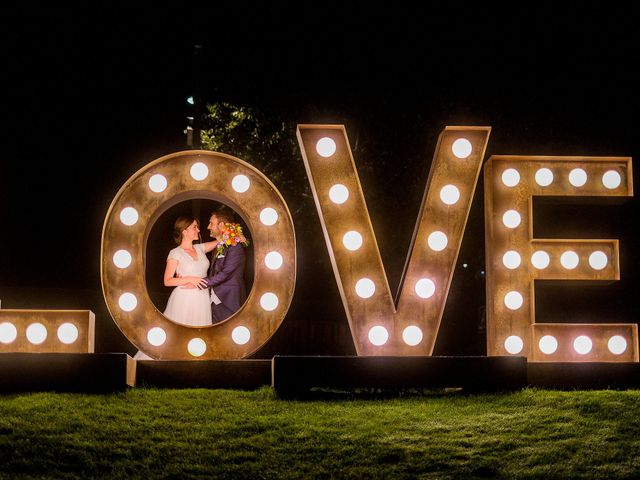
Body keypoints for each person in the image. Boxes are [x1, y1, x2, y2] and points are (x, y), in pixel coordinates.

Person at [134, 215, 211, 360]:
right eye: (195, 227)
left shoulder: (200, 248)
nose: (198, 230)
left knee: (198, 335)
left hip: (202, 297)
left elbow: (221, 241)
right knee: (175, 334)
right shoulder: (175, 253)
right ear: (184, 231)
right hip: (183, 298)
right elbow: (167, 281)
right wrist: (189, 279)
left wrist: (235, 234)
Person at [199, 206, 249, 324]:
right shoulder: (220, 245)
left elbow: (225, 274)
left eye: (211, 223)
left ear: (221, 225)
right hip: (214, 299)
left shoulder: (235, 247)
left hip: (229, 301)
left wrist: (199, 283)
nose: (208, 227)